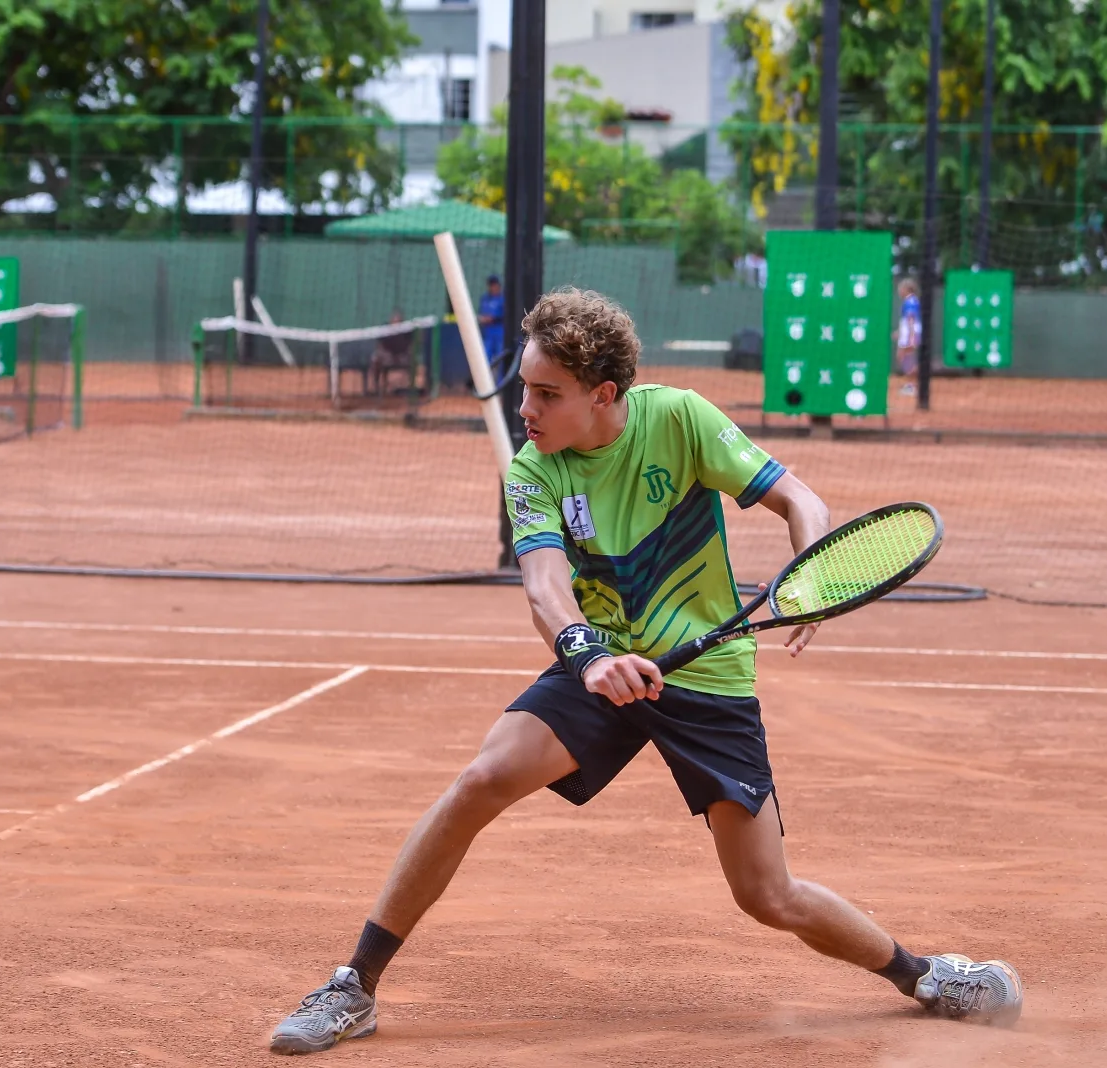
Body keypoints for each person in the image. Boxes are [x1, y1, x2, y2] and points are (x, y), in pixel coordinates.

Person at [269, 287, 1022, 1055]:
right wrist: (589, 655)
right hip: (600, 660)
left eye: (546, 394)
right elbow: (544, 586)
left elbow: (801, 500)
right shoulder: (534, 471)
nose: (524, 409)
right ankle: (354, 985)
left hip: (708, 676)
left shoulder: (679, 418)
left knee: (767, 894)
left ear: (604, 395)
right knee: (480, 781)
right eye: (524, 386)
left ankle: (926, 975)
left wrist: (812, 580)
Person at [366, 309, 415, 398]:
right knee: (376, 359)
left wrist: (403, 355)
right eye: (394, 321)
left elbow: (410, 346)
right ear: (391, 321)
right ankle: (376, 389)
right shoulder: (385, 332)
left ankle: (411, 390)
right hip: (388, 357)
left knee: (412, 360)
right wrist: (387, 355)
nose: (396, 323)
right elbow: (380, 347)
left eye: (399, 321)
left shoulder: (406, 333)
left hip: (402, 357)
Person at [895, 278, 922, 395]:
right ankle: (912, 385)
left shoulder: (910, 301)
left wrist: (911, 337)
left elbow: (911, 319)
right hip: (908, 333)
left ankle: (912, 386)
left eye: (900, 289)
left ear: (906, 289)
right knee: (904, 358)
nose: (899, 291)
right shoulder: (911, 300)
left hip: (910, 334)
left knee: (906, 359)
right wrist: (899, 332)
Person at [477, 274, 505, 360]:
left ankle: (501, 374)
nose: (493, 287)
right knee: (486, 355)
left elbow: (505, 315)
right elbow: (481, 312)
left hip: (499, 330)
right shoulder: (485, 299)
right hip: (488, 331)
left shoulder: (502, 299)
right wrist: (482, 318)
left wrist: (494, 318)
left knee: (500, 354)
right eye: (491, 285)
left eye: (494, 285)